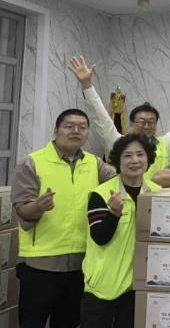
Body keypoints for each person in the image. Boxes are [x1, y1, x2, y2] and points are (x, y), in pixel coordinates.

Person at [11, 108, 117, 328]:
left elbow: (121, 180)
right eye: (69, 126)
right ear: (56, 130)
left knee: (68, 323)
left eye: (82, 127)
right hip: (42, 264)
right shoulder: (32, 163)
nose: (76, 131)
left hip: (81, 263)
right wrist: (38, 206)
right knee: (32, 323)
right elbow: (22, 210)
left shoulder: (94, 163)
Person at [68, 56, 170, 179]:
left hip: (157, 200)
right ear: (131, 123)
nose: (147, 126)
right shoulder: (118, 142)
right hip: (124, 199)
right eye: (142, 122)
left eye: (151, 122)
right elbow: (101, 117)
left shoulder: (163, 144)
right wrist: (87, 85)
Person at [80, 133, 160, 328]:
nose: (135, 161)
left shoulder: (157, 193)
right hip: (103, 287)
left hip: (137, 286)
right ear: (118, 161)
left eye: (140, 154)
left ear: (148, 158)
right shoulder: (101, 194)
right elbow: (99, 237)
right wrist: (113, 214)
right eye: (127, 156)